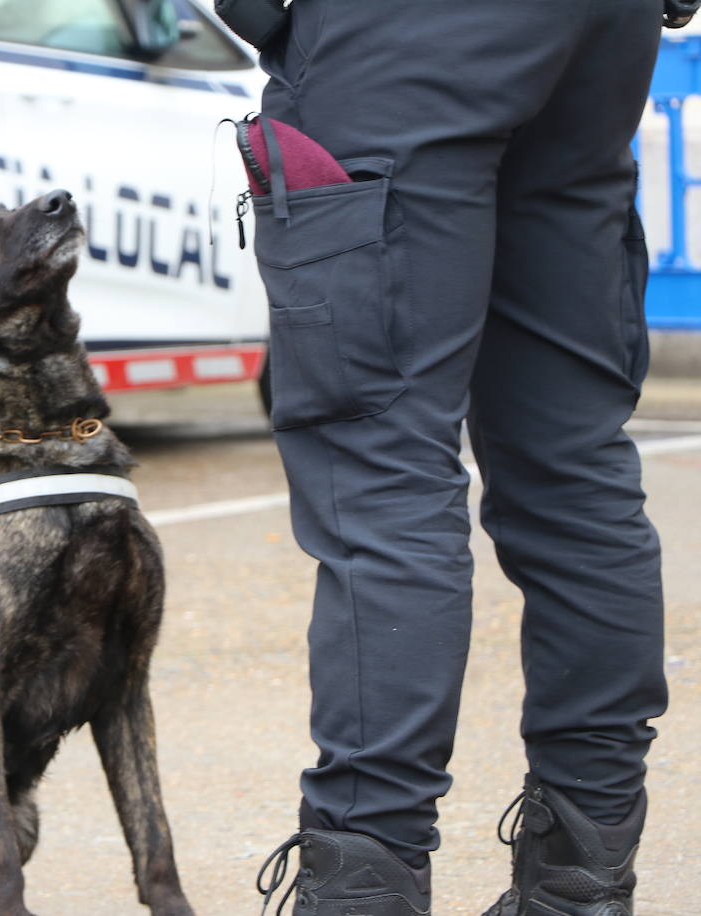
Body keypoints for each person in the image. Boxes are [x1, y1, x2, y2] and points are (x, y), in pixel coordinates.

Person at [227, 1, 689, 913]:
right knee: (573, 463)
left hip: (398, 35)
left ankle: (367, 889)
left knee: (379, 468)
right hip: (600, 27)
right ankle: (580, 887)